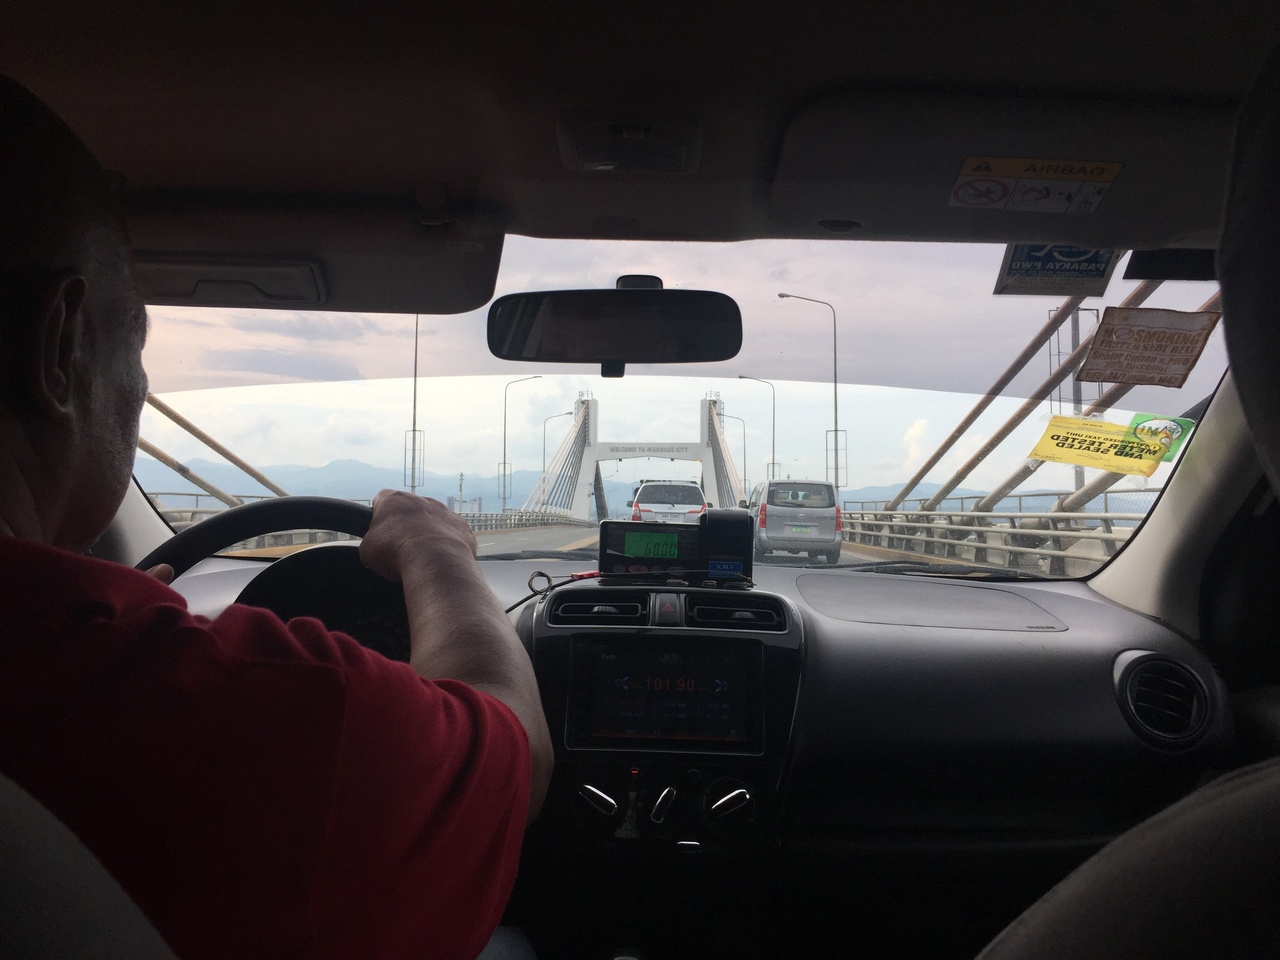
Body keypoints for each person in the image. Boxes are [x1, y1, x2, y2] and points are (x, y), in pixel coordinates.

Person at [0, 76, 553, 960]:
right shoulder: (263, 725)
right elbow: (513, 753)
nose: (140, 389)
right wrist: (436, 549)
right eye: (135, 343)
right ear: (60, 346)